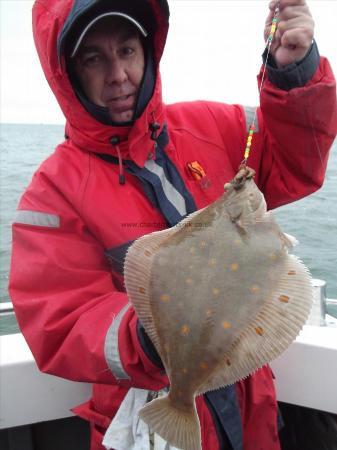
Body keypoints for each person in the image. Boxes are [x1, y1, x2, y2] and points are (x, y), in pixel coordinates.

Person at [9, 0, 337, 449]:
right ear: (67, 72)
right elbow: (60, 324)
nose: (118, 75)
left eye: (126, 51)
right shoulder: (53, 191)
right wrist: (156, 332)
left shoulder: (212, 125)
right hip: (145, 420)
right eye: (94, 59)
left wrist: (292, 72)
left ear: (147, 51)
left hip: (250, 410)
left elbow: (294, 164)